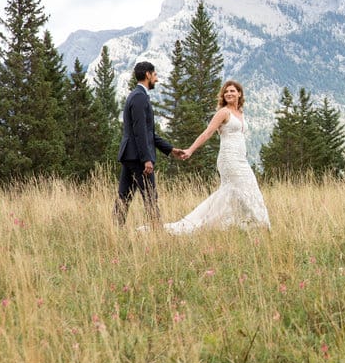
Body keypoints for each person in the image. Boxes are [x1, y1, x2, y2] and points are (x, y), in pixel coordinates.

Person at [164, 79, 270, 234]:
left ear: (239, 93)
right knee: (242, 189)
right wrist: (190, 150)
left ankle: (245, 225)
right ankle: (255, 225)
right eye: (226, 92)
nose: (229, 93)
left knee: (243, 190)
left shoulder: (240, 113)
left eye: (232, 91)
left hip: (241, 159)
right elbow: (207, 133)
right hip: (229, 159)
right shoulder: (223, 113)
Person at [115, 61, 187, 230]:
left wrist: (169, 149)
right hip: (138, 157)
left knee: (124, 196)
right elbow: (140, 131)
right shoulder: (140, 97)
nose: (156, 78)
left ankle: (115, 230)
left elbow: (148, 133)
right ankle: (157, 234)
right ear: (147, 74)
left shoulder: (136, 95)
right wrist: (146, 158)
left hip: (130, 155)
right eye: (155, 75)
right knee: (150, 197)